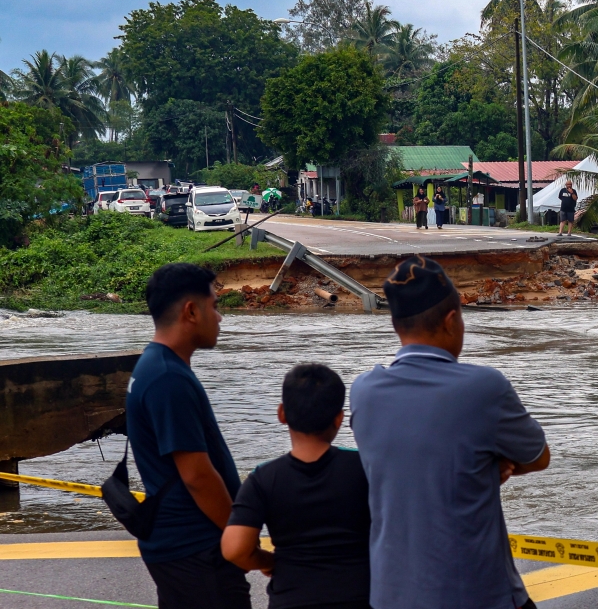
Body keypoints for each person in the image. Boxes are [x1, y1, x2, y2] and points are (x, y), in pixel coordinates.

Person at [351, 256, 550, 609]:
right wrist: (492, 465)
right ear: (452, 320)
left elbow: (413, 453)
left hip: (390, 596)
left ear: (397, 325)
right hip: (476, 594)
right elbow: (538, 457)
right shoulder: (484, 387)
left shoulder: (364, 392)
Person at [126, 263, 249, 609]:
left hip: (183, 548)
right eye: (214, 305)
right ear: (191, 311)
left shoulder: (156, 366)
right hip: (195, 550)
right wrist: (237, 536)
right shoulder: (168, 378)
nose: (220, 317)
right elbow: (196, 475)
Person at [222, 364, 371, 609]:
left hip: (291, 599)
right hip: (361, 596)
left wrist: (268, 561)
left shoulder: (263, 478)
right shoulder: (364, 469)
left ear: (282, 414)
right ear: (339, 418)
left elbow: (235, 548)